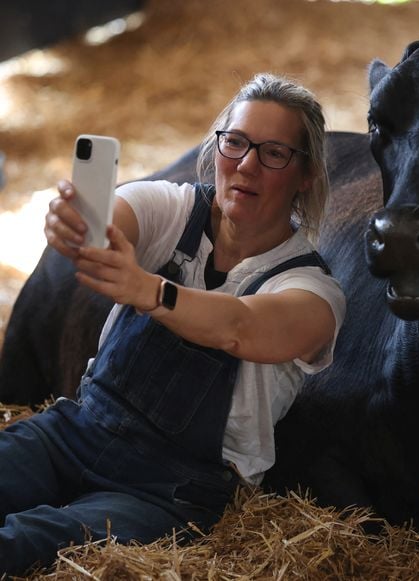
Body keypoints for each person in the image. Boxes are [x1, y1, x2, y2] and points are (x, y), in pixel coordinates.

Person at [0, 73, 346, 575]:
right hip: (77, 431)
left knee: (26, 542)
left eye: (273, 153)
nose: (246, 164)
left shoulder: (314, 292)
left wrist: (148, 290)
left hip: (168, 489)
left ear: (306, 174)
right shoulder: (178, 208)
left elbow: (239, 327)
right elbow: (122, 215)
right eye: (236, 142)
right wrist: (78, 229)